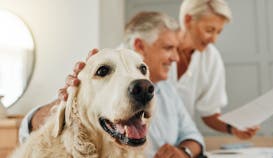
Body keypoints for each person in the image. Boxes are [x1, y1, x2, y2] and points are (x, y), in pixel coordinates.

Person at [19, 12, 205, 158]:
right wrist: (65, 102)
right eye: (168, 48)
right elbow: (29, 128)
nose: (176, 57)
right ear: (140, 45)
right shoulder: (96, 71)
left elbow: (193, 135)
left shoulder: (167, 90)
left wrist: (184, 152)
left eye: (176, 49)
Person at [169, 0, 259, 139]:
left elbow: (209, 113)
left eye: (218, 32)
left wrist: (233, 128)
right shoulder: (155, 46)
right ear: (188, 20)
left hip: (182, 143)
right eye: (209, 30)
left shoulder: (211, 58)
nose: (214, 39)